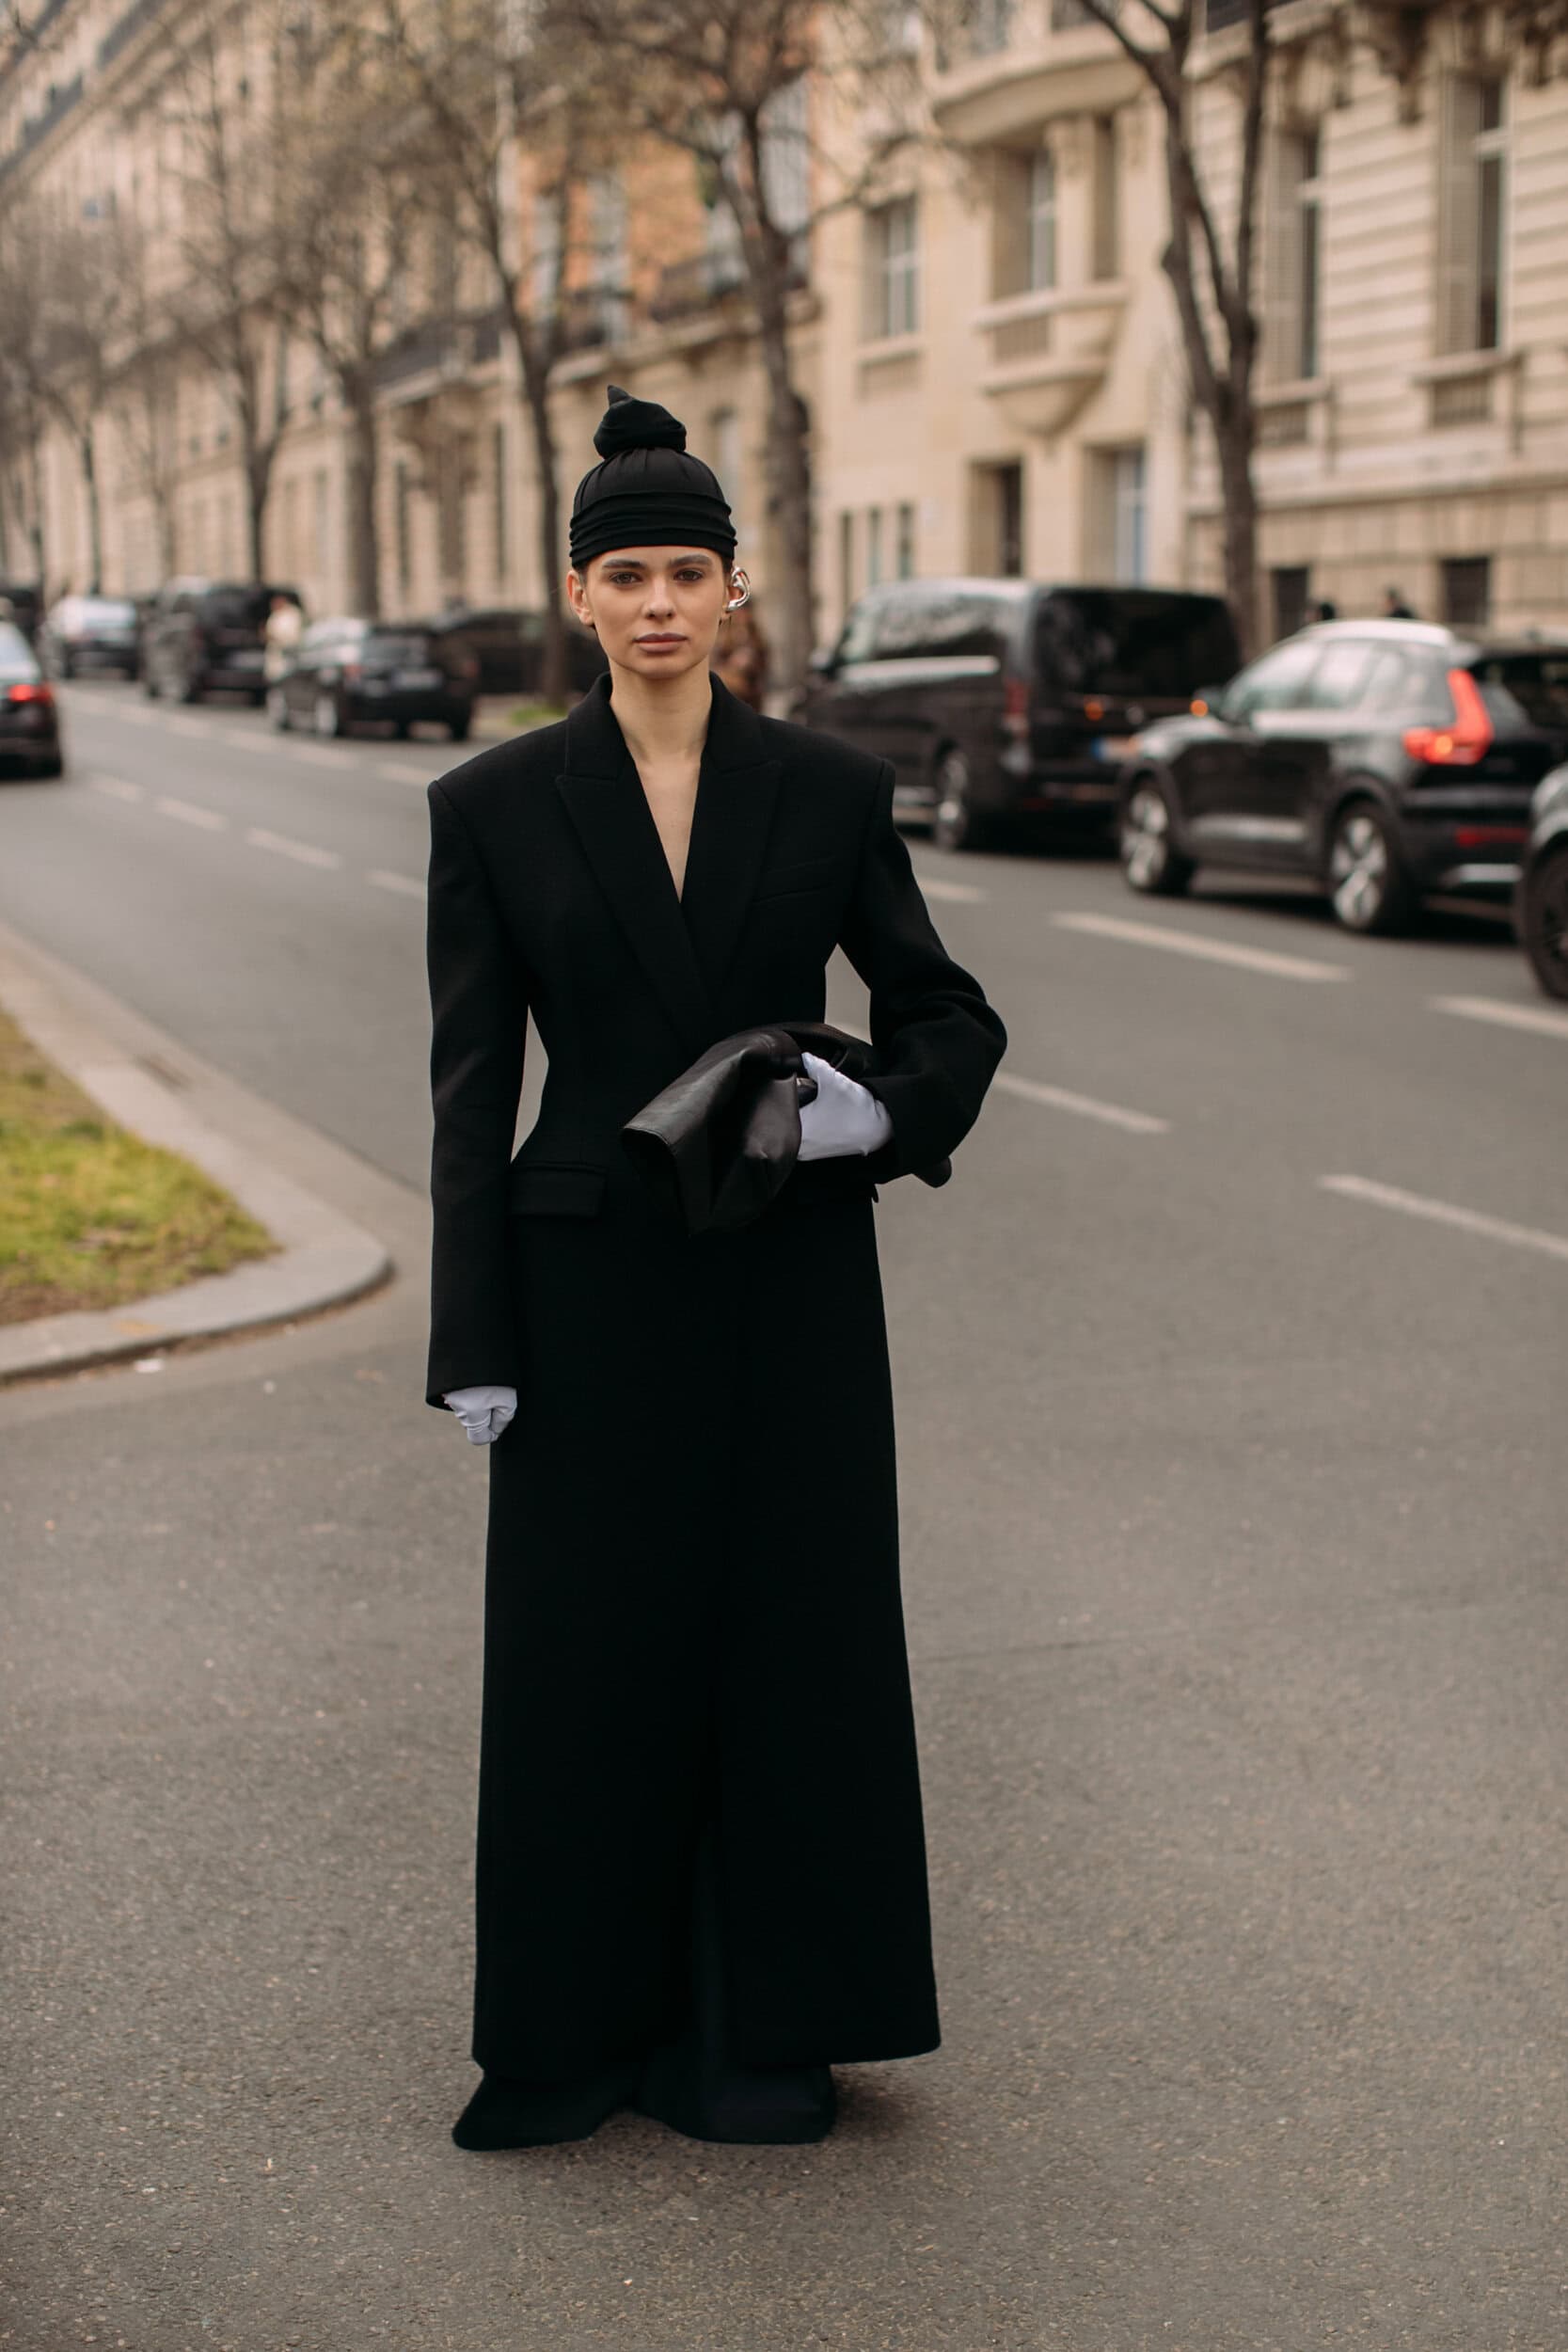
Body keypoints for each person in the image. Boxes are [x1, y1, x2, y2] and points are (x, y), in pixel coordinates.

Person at [425, 383, 1006, 2153]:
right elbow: (470, 1087)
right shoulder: (496, 802)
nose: (661, 600)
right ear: (579, 595)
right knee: (584, 1659)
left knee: (790, 1641)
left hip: (787, 1279)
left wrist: (876, 1120)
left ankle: (768, 2028)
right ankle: (569, 2036)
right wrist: (474, 1333)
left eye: (691, 568)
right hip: (586, 1282)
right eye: (629, 573)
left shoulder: (825, 789)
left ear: (736, 592)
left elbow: (944, 1012)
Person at [709, 593, 769, 711]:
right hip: (728, 693)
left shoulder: (755, 637)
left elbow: (762, 664)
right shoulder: (724, 635)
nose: (741, 616)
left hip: (750, 696)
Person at [262, 591, 302, 683]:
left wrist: (275, 637)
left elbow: (293, 638)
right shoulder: (275, 615)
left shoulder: (292, 615)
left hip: (287, 657)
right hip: (275, 656)